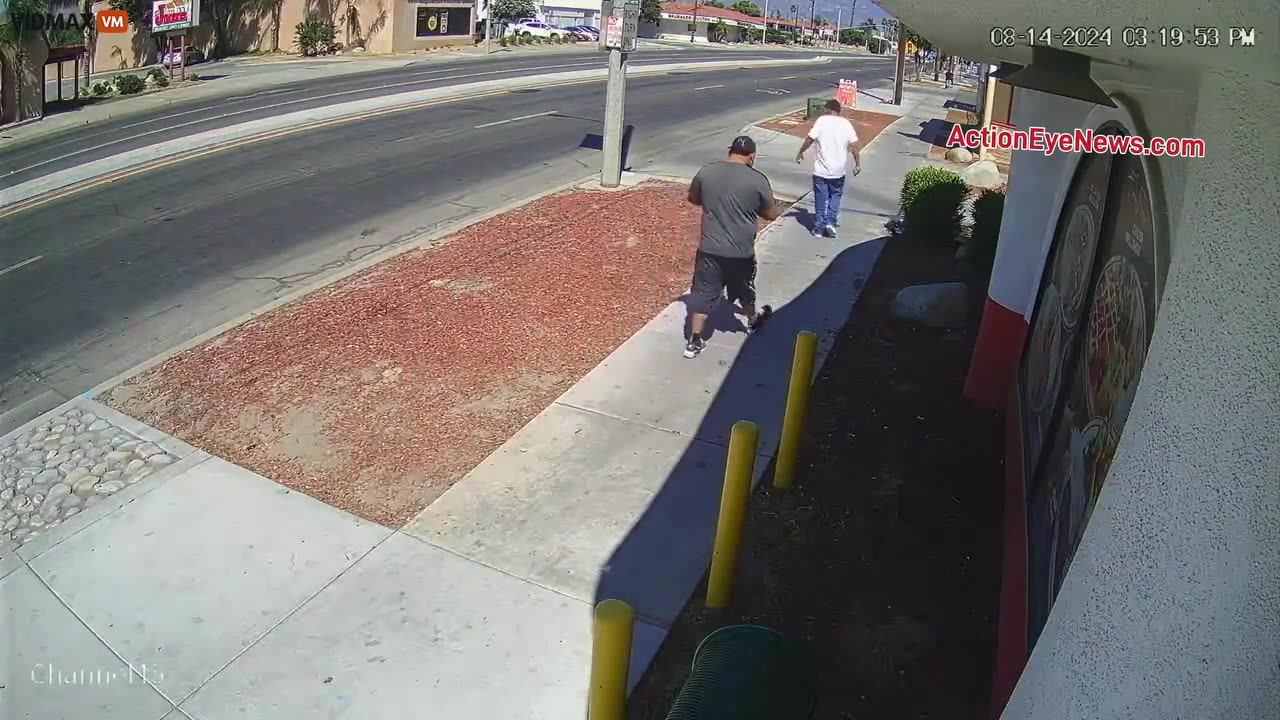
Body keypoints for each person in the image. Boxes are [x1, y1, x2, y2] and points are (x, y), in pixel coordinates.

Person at [683, 135, 782, 359]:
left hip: (709, 248)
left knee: (703, 293)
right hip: (741, 252)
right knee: (745, 289)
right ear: (752, 156)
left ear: (731, 151)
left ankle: (694, 340)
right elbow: (770, 214)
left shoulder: (707, 171)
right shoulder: (757, 180)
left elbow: (693, 199)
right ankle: (752, 320)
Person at [795, 99, 861, 238]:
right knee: (835, 196)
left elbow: (809, 139)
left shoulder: (822, 121)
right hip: (838, 171)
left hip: (821, 171)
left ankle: (819, 227)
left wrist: (801, 151)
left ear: (827, 109)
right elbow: (854, 145)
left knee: (821, 198)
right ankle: (830, 223)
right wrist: (857, 163)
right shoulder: (846, 124)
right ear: (838, 111)